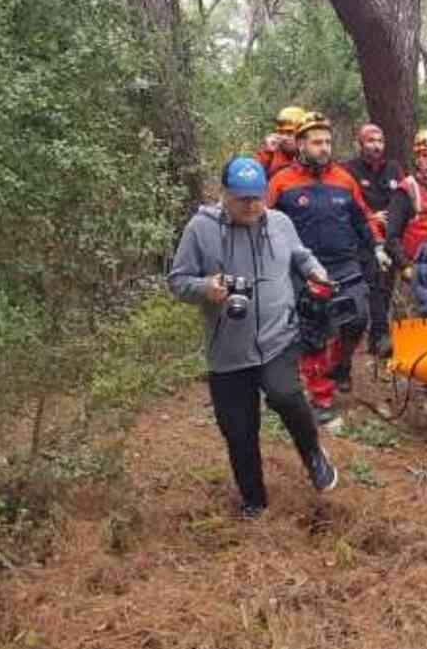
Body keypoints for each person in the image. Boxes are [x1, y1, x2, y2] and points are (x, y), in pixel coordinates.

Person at [168, 156, 337, 518]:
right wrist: (204, 287)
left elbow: (301, 256)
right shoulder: (200, 229)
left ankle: (313, 456)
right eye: (242, 198)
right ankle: (254, 500)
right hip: (227, 351)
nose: (251, 206)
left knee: (286, 396)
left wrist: (316, 272)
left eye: (257, 197)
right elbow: (177, 281)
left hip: (278, 337)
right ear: (223, 194)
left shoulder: (280, 222)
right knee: (239, 431)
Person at [268, 112, 386, 430]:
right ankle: (321, 399)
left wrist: (377, 246)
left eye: (328, 141)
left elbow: (363, 218)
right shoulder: (281, 181)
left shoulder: (344, 179)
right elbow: (266, 226)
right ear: (302, 144)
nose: (324, 147)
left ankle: (341, 363)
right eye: (317, 142)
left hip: (346, 263)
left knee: (358, 317)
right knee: (314, 331)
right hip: (305, 267)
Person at [343, 123, 404, 357]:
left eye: (380, 141)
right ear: (360, 144)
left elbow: (402, 195)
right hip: (361, 237)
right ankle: (377, 336)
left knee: (385, 286)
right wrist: (370, 216)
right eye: (371, 141)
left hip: (390, 235)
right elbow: (348, 200)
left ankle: (377, 336)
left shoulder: (393, 168)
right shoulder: (349, 169)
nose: (376, 146)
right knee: (374, 283)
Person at [387, 129, 427, 276]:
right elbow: (392, 237)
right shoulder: (406, 190)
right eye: (424, 156)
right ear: (417, 159)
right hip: (413, 267)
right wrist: (405, 266)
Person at [255, 106, 305, 177]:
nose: (284, 137)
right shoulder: (271, 154)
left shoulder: (312, 154)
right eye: (281, 132)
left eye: (290, 132)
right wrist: (267, 152)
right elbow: (253, 174)